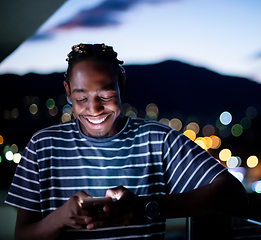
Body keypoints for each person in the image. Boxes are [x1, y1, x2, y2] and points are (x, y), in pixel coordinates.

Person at [5, 43, 248, 240]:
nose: (95, 109)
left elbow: (233, 193)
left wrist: (147, 208)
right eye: (81, 99)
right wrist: (60, 219)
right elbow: (22, 235)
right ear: (68, 91)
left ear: (121, 84)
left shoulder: (157, 139)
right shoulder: (41, 146)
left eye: (106, 95)